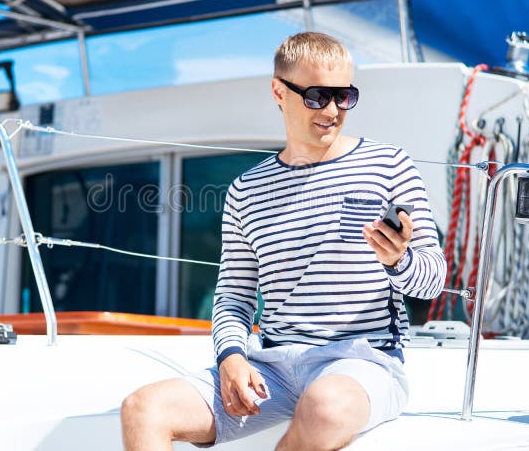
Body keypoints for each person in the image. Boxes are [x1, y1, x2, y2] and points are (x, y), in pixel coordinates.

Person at [120, 32, 447, 450]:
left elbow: (433, 281)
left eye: (343, 96)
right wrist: (232, 357)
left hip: (362, 362)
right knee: (142, 409)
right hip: (271, 365)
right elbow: (233, 296)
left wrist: (399, 261)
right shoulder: (245, 190)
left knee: (324, 406)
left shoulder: (389, 165)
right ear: (279, 91)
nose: (332, 110)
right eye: (316, 96)